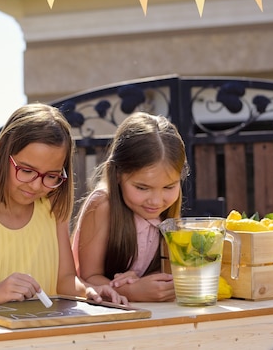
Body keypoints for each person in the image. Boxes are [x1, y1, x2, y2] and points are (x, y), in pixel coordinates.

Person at [0, 103, 127, 308]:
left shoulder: (53, 213)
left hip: (42, 334)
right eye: (27, 171)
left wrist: (89, 290)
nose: (36, 185)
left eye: (51, 176)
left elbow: (65, 280)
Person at [71, 112, 189, 302]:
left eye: (169, 186)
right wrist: (131, 291)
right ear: (117, 174)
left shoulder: (167, 213)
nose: (156, 201)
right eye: (142, 188)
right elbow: (88, 276)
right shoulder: (102, 205)